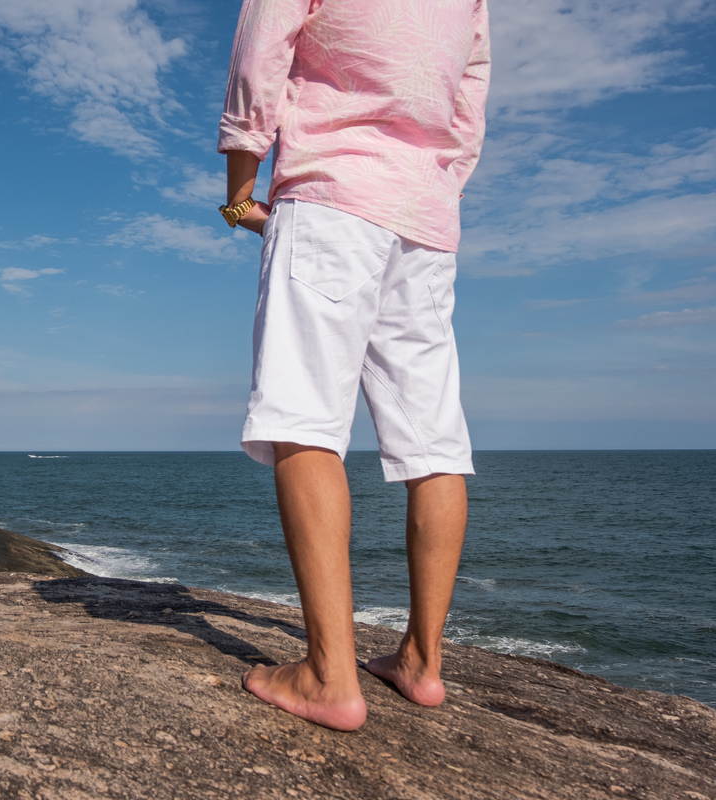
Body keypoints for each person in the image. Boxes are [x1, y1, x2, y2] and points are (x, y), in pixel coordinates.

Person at [217, 0, 490, 730]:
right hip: (425, 217)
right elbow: (468, 105)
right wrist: (431, 187)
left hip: (333, 194)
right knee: (432, 438)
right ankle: (422, 663)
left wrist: (241, 190)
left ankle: (329, 676)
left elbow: (260, 54)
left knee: (302, 419)